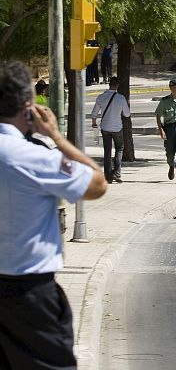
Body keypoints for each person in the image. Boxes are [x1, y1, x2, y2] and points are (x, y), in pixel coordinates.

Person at [0, 60, 107, 370]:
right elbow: (97, 184)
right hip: (28, 296)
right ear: (28, 107)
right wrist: (56, 138)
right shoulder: (33, 156)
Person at [91, 76, 131, 183]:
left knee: (107, 151)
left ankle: (108, 176)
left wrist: (94, 124)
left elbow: (94, 113)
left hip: (105, 127)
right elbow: (127, 114)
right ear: (117, 85)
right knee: (119, 148)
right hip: (117, 127)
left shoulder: (101, 97)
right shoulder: (121, 98)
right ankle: (116, 173)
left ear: (109, 85)